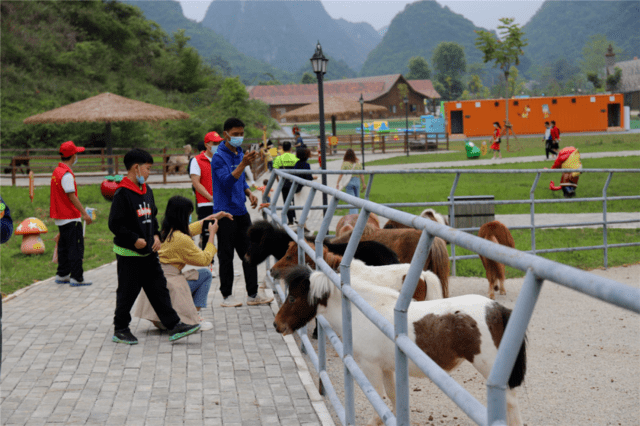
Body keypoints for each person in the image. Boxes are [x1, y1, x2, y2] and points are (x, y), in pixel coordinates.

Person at [109, 148, 200, 344]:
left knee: (159, 290)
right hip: (129, 254)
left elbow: (152, 218)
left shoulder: (146, 191)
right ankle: (121, 328)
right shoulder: (122, 193)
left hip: (149, 253)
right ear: (136, 168)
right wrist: (134, 239)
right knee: (127, 292)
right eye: (148, 168)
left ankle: (174, 325)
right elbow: (115, 224)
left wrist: (157, 235)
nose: (150, 172)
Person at [133, 196, 232, 332]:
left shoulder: (165, 232)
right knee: (205, 275)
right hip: (170, 284)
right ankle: (193, 318)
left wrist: (215, 217)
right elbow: (205, 260)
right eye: (189, 215)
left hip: (155, 296)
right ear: (182, 216)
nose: (190, 218)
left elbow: (193, 228)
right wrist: (211, 235)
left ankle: (171, 318)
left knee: (195, 276)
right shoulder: (181, 239)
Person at [211, 117, 273, 307]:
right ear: (226, 134)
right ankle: (227, 296)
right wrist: (243, 164)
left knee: (250, 252)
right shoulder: (218, 157)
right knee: (226, 255)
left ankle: (252, 294)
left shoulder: (239, 153)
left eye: (241, 134)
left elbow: (240, 181)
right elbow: (227, 181)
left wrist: (249, 193)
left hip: (241, 211)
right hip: (225, 213)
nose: (239, 137)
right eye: (235, 134)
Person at [50, 141, 93, 286]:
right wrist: (84, 214)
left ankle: (62, 274)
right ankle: (77, 277)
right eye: (76, 154)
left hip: (61, 217)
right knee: (76, 247)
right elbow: (72, 195)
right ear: (73, 156)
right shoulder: (67, 175)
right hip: (71, 216)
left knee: (63, 246)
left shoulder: (57, 171)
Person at [190, 132, 223, 249]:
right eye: (215, 143)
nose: (217, 145)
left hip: (223, 205)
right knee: (207, 238)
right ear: (206, 144)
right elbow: (196, 183)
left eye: (219, 143)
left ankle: (222, 267)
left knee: (224, 239)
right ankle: (208, 265)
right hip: (206, 204)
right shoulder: (196, 160)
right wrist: (211, 198)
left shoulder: (223, 159)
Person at [272, 141, 299, 225]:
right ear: (291, 148)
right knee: (294, 200)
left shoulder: (279, 158)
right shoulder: (295, 157)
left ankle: (290, 219)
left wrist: (278, 181)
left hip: (283, 183)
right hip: (294, 182)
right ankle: (295, 217)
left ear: (282, 148)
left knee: (286, 201)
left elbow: (275, 171)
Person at [336, 149, 366, 215]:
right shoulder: (358, 163)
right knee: (357, 200)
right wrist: (363, 183)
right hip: (357, 181)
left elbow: (341, 174)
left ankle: (353, 216)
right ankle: (356, 216)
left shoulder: (345, 163)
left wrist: (337, 182)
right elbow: (361, 174)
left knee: (351, 201)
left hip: (349, 182)